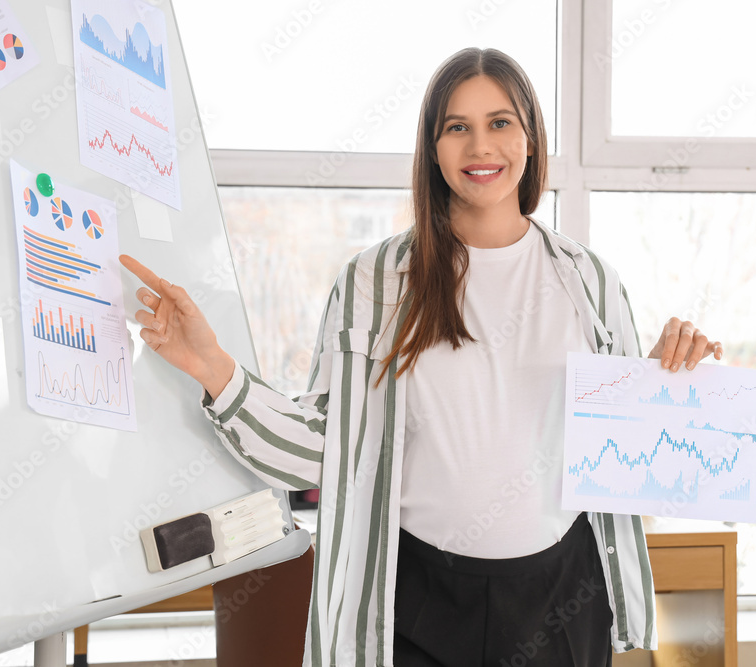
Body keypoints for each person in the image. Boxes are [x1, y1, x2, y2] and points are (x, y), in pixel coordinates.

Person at [120, 47, 722, 667]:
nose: (479, 146)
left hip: (561, 594)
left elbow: (621, 460)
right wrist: (212, 367)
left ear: (532, 139)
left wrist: (659, 385)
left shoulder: (590, 281)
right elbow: (329, 449)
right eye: (456, 127)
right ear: (433, 150)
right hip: (415, 599)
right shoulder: (375, 282)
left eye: (500, 122)